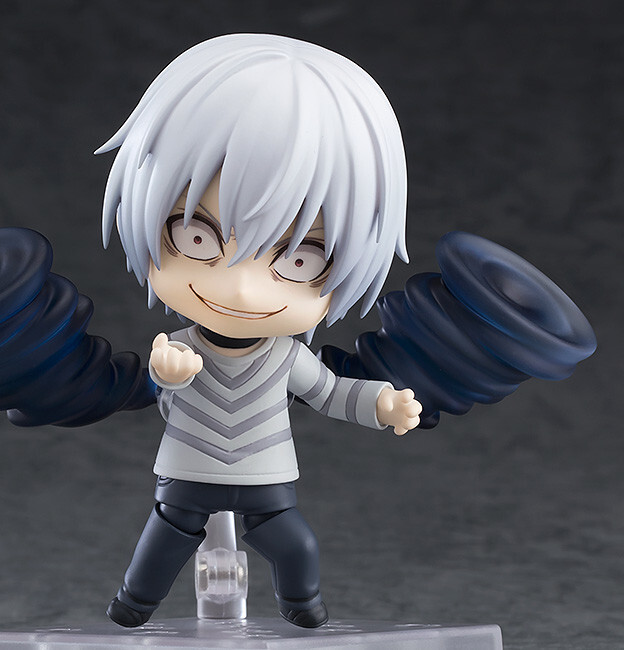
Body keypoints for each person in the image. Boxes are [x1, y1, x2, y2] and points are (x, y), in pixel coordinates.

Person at [95, 34, 421, 628]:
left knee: (296, 548)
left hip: (266, 478)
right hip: (188, 473)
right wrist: (168, 375)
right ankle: (132, 606)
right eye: (197, 237)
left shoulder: (285, 357)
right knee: (161, 547)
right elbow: (165, 389)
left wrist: (382, 404)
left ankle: (303, 610)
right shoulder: (182, 347)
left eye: (298, 259)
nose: (242, 289)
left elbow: (329, 392)